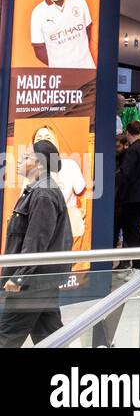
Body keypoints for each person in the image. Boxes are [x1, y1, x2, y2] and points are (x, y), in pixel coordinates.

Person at [0, 140, 73, 347]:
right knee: (49, 334)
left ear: (40, 164)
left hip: (33, 282)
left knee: (7, 335)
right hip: (42, 280)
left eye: (26, 157)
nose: (20, 160)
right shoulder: (40, 190)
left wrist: (19, 277)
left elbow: (36, 241)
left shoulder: (43, 194)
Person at [29, 0, 96, 68]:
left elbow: (87, 32)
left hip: (87, 71)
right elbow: (39, 51)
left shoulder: (80, 1)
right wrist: (61, 65)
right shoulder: (37, 12)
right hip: (61, 78)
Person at [116, 121, 140, 269]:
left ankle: (138, 265)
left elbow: (126, 173)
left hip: (132, 197)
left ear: (128, 133)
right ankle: (139, 264)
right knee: (136, 229)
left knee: (131, 231)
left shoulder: (132, 151)